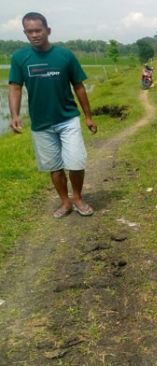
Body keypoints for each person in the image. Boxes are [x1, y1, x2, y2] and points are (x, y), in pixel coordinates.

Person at [8, 12, 97, 218]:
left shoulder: (65, 55)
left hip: (68, 118)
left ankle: (77, 197)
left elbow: (79, 87)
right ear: (25, 33)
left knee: (75, 162)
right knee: (54, 167)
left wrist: (88, 117)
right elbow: (15, 88)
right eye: (29, 31)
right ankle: (65, 202)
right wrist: (14, 115)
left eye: (38, 30)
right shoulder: (20, 58)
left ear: (48, 30)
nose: (34, 35)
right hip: (41, 124)